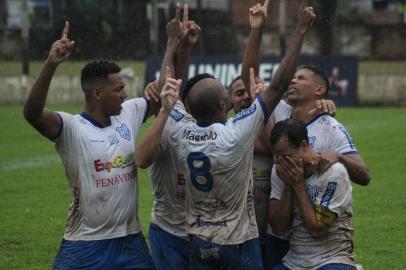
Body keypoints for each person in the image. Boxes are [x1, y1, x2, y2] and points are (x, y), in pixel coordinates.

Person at [162, 1, 314, 268]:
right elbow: (278, 83)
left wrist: (174, 44)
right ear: (224, 105)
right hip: (238, 242)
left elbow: (169, 84)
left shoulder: (179, 128)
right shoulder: (236, 133)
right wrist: (300, 30)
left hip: (198, 240)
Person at [23, 22, 156, 269]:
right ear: (96, 93)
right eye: (118, 89)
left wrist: (175, 46)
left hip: (130, 239)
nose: (125, 94)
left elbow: (164, 96)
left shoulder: (128, 113)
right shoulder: (71, 127)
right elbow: (32, 114)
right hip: (84, 244)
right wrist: (51, 64)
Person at [135, 4, 201, 270]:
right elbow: (169, 85)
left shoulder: (227, 128)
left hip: (206, 234)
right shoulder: (175, 117)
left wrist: (176, 44)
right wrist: (179, 46)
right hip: (168, 231)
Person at [269, 119, 355, 270]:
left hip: (332, 258)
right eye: (276, 156)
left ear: (303, 146)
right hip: (294, 260)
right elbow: (278, 228)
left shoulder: (334, 174)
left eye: (285, 155)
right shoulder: (281, 170)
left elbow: (318, 229)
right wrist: (289, 186)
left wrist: (298, 185)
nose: (279, 161)